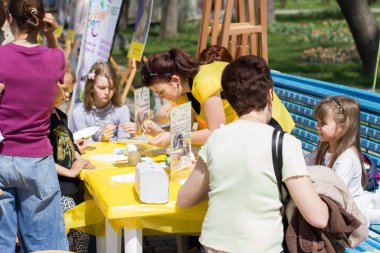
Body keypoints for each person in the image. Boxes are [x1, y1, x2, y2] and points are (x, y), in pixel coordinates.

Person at [177, 55, 329, 253]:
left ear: (230, 101)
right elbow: (318, 217)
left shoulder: (216, 138)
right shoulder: (284, 144)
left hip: (213, 245)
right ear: (270, 95)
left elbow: (184, 199)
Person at [0, 0, 69, 252]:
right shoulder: (54, 58)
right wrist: (51, 35)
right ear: (40, 20)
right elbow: (62, 70)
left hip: (2, 156)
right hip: (38, 161)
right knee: (45, 245)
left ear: (9, 18)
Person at [140, 47, 294, 148]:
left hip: (269, 125)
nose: (162, 97)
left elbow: (215, 132)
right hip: (247, 129)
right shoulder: (183, 91)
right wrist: (161, 132)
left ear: (174, 80)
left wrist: (172, 136)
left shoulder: (204, 81)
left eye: (160, 92)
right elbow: (184, 130)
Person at [50, 81, 94, 253]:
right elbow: (44, 157)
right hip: (58, 188)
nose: (68, 94)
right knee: (67, 225)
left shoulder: (61, 115)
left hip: (72, 185)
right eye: (64, 90)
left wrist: (80, 159)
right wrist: (70, 171)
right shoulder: (42, 121)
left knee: (82, 228)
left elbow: (70, 143)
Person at [71, 62, 135, 142]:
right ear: (91, 88)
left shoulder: (122, 110)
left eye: (111, 88)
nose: (107, 92)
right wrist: (102, 140)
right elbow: (86, 145)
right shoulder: (79, 112)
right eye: (102, 88)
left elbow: (124, 142)